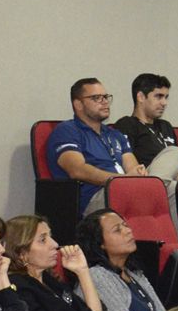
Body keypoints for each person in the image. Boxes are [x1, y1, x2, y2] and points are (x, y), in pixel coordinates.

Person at [2, 213, 113, 311]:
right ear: (22, 253)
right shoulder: (18, 287)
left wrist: (83, 272)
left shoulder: (51, 282)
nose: (55, 244)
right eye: (43, 240)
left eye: (51, 236)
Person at [47, 77, 145, 215]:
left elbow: (134, 169)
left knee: (173, 168)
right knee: (158, 190)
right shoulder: (67, 130)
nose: (105, 102)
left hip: (127, 190)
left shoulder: (115, 134)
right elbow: (77, 170)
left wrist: (136, 178)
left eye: (105, 97)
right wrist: (120, 181)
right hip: (96, 197)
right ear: (78, 104)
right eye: (96, 98)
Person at [77, 209, 164, 311]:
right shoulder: (96, 276)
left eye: (125, 225)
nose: (128, 231)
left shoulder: (134, 273)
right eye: (117, 230)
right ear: (100, 243)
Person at [111, 73, 178, 192]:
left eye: (166, 97)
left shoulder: (165, 126)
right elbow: (129, 165)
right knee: (175, 151)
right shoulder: (126, 125)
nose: (164, 103)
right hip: (143, 181)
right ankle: (150, 191)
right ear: (141, 97)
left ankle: (156, 191)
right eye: (159, 96)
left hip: (169, 184)